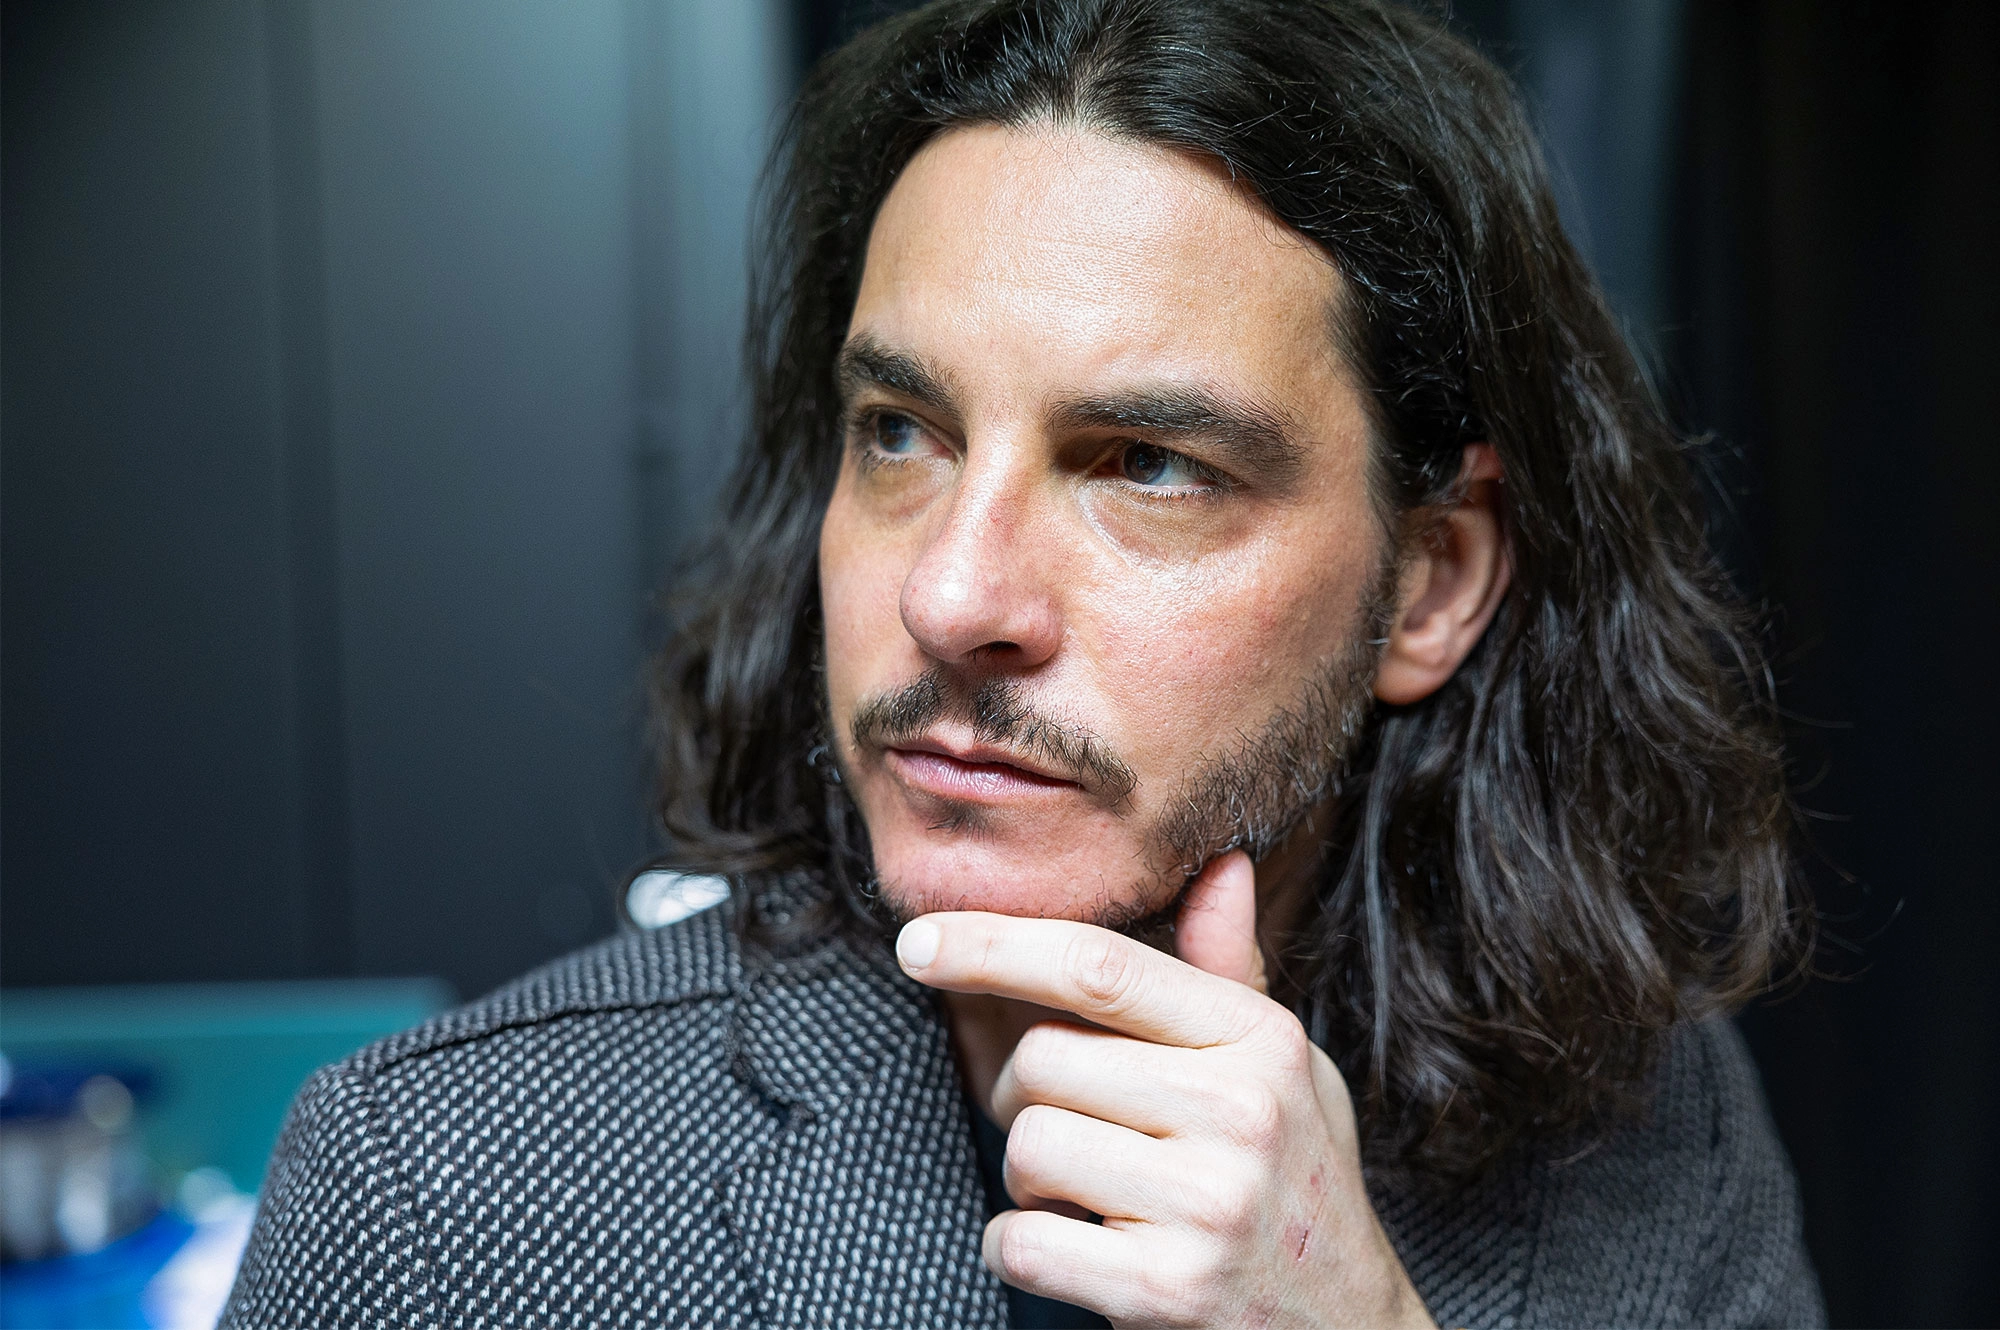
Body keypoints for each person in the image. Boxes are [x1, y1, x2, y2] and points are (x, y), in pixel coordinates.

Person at [223, 1, 1823, 1325]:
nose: (953, 592)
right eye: (901, 432)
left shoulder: (1659, 1127)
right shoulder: (439, 1189)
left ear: (1431, 583)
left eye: (1145, 463)